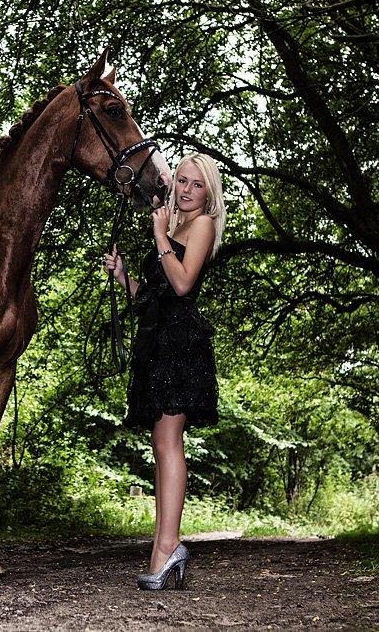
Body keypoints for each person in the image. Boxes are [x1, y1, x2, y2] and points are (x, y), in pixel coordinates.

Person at [103, 152, 225, 590]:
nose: (187, 190)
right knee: (160, 445)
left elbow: (183, 284)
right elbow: (154, 294)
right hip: (157, 339)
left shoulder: (203, 225)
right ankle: (161, 548)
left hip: (180, 344)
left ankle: (167, 547)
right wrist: (123, 278)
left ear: (208, 191)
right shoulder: (172, 226)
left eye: (196, 184)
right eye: (183, 182)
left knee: (170, 444)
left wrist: (158, 237)